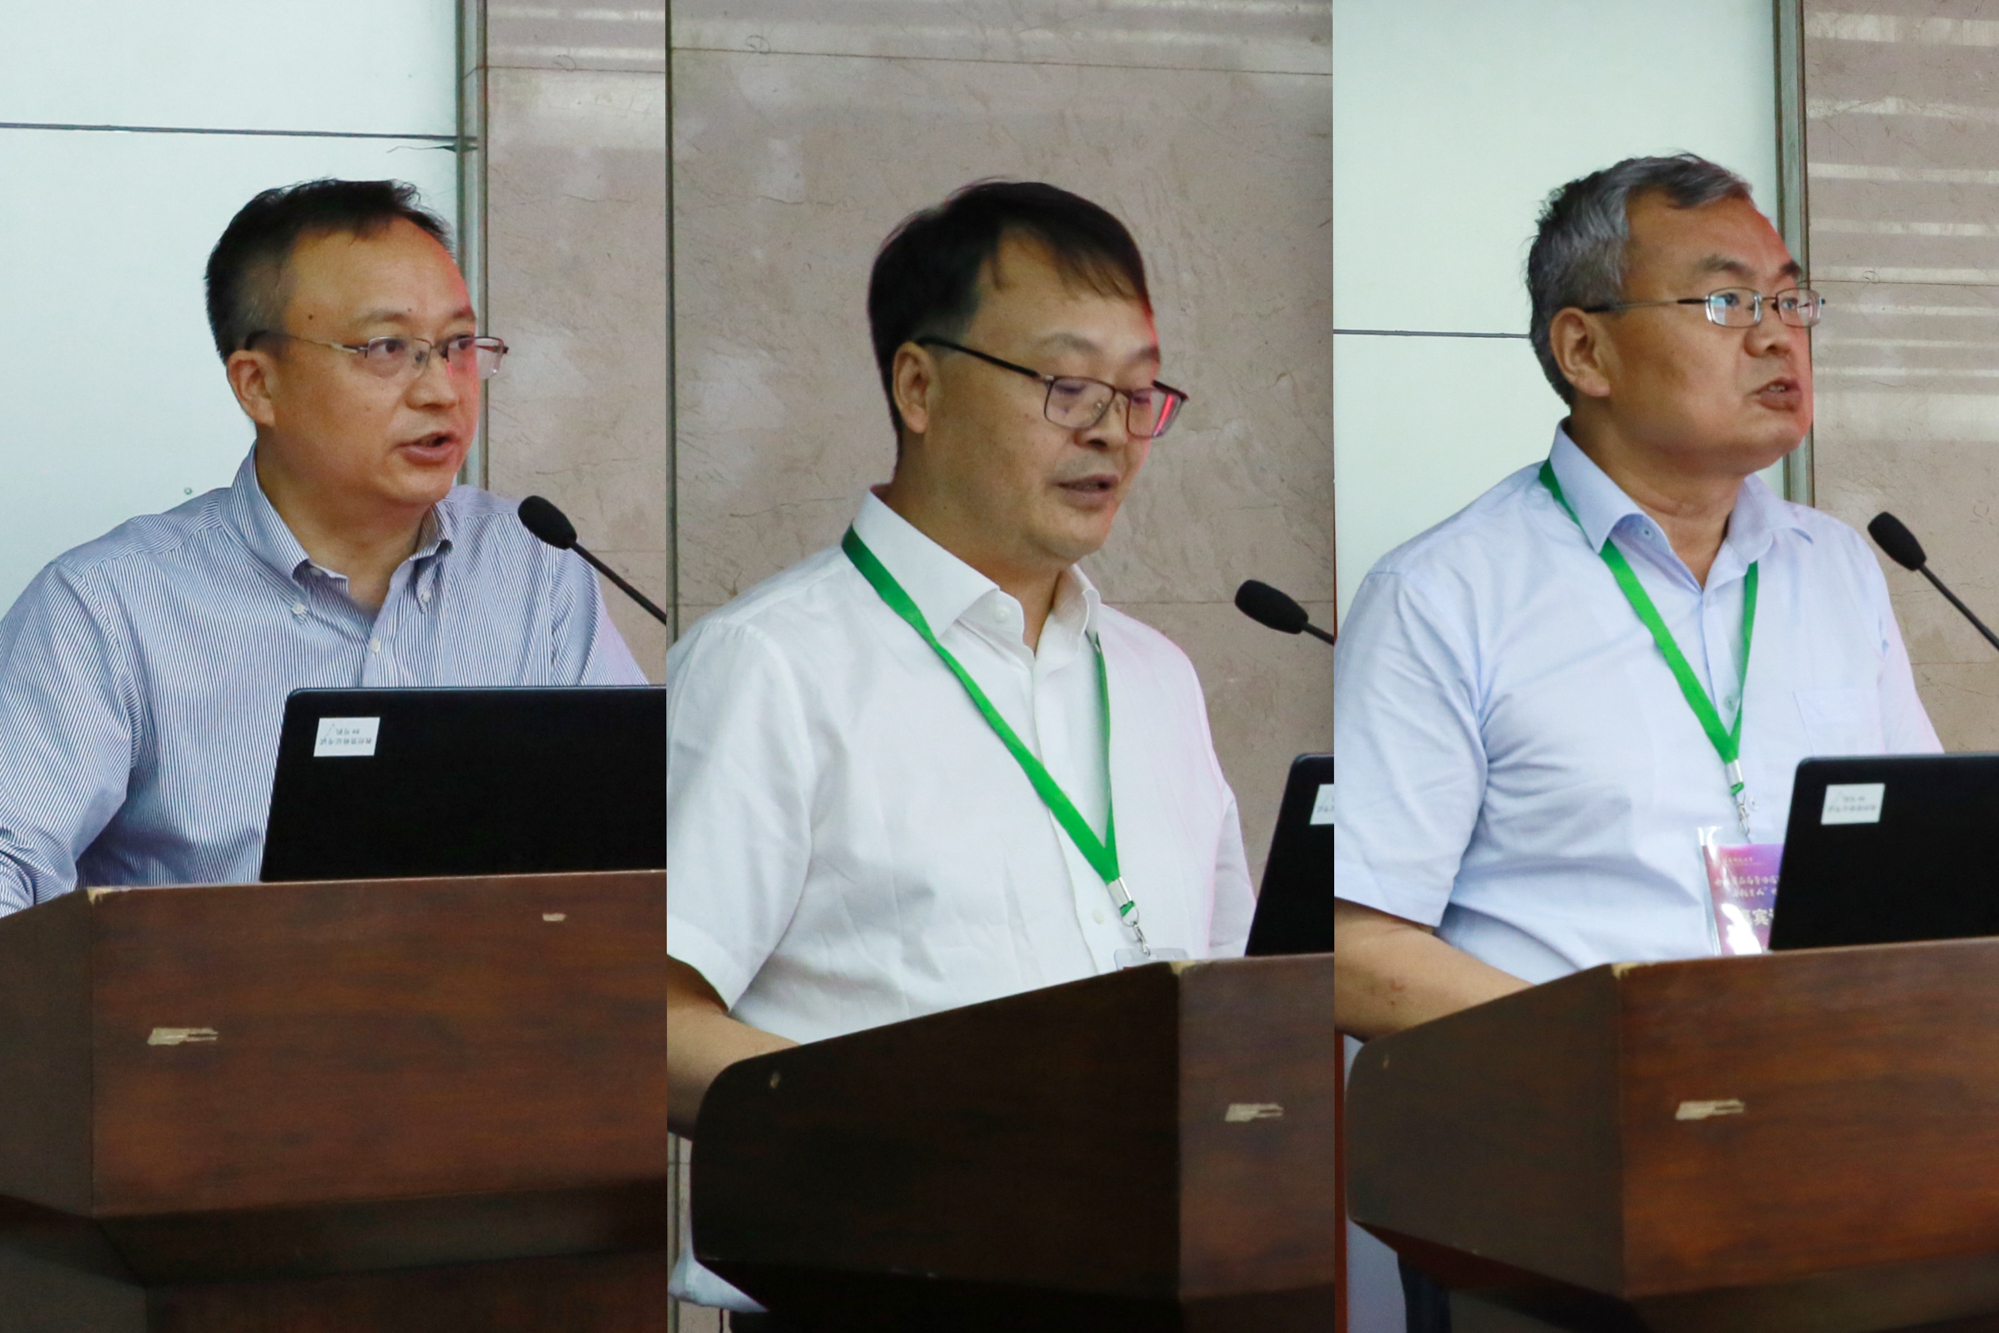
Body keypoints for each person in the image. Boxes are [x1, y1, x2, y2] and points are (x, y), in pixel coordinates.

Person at [1330, 153, 1940, 1330]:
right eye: (1725, 299)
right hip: (1558, 1187)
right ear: (1585, 350)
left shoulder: (1834, 568)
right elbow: (1355, 944)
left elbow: (1917, 869)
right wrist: (1626, 1052)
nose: (1776, 335)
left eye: (1790, 298)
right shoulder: (1447, 592)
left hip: (1830, 1163)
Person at [666, 180, 1256, 1316]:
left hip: (1153, 1275)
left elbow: (1223, 998)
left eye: (1139, 392)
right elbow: (652, 1017)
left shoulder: (1155, 676)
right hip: (882, 1286)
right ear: (919, 386)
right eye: (1066, 385)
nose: (1110, 430)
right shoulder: (771, 665)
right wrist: (925, 1120)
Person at [0, 179, 644, 915]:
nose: (442, 391)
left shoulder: (533, 568)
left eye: (458, 346)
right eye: (387, 348)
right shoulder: (107, 607)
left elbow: (631, 834)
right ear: (259, 385)